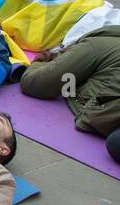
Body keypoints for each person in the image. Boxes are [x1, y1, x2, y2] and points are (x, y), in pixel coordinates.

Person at [21, 25, 120, 160]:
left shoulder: (95, 46)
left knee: (115, 143)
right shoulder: (104, 48)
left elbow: (34, 83)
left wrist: (43, 60)